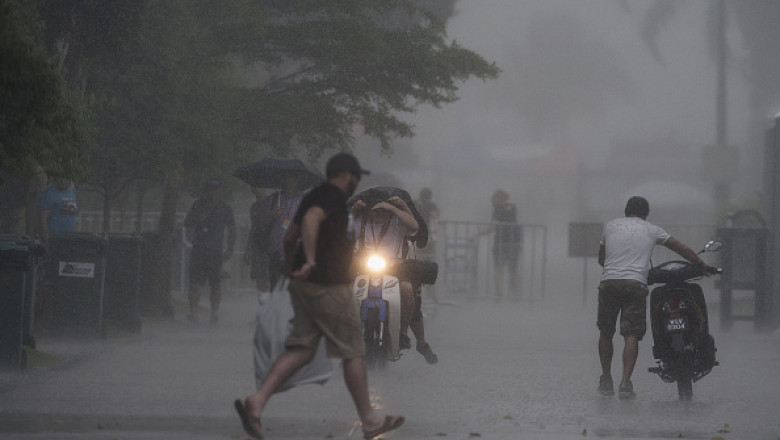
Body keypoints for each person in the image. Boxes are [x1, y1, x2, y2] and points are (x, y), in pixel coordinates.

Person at [234, 152, 405, 440]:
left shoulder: (312, 197)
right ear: (346, 175)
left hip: (306, 285)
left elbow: (290, 237)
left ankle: (257, 401)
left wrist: (292, 265)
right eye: (355, 177)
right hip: (328, 284)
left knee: (302, 349)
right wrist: (312, 260)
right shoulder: (330, 197)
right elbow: (311, 222)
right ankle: (370, 420)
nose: (355, 183)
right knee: (353, 351)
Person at [597, 196, 717, 400]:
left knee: (606, 332)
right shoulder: (651, 229)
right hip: (635, 284)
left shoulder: (610, 226)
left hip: (609, 282)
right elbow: (681, 248)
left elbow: (602, 259)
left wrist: (616, 268)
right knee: (631, 334)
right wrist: (701, 264)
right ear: (646, 214)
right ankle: (625, 383)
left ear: (626, 211)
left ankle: (606, 379)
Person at [352, 191, 438, 364]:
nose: (380, 214)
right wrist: (352, 210)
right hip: (363, 269)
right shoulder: (360, 221)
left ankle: (403, 333)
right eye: (376, 211)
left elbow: (414, 227)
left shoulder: (397, 222)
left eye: (383, 211)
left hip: (395, 269)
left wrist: (396, 208)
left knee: (407, 290)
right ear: (369, 211)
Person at [183, 178, 236, 324]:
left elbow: (232, 229)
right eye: (210, 189)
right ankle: (194, 313)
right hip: (199, 250)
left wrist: (230, 248)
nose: (213, 192)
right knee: (194, 283)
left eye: (215, 189)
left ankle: (214, 314)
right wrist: (197, 219)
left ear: (219, 191)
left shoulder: (225, 208)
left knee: (215, 285)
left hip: (215, 252)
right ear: (206, 191)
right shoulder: (198, 205)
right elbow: (187, 223)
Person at [257, 174, 303, 289]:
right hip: (276, 252)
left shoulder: (305, 200)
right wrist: (272, 214)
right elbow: (263, 223)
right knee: (276, 288)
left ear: (298, 180)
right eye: (288, 178)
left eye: (293, 178)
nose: (290, 181)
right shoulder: (273, 199)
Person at [475, 189, 522, 298]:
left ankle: (499, 293)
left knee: (498, 269)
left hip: (501, 243)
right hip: (515, 242)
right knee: (513, 269)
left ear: (497, 199)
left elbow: (492, 228)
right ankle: (516, 294)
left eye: (492, 199)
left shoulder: (498, 209)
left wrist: (477, 235)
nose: (491, 201)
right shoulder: (512, 207)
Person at [38, 178, 78, 253]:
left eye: (67, 178)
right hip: (54, 238)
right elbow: (43, 219)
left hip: (69, 238)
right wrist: (46, 240)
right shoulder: (49, 193)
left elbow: (72, 216)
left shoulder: (71, 193)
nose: (64, 181)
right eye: (62, 178)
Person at [243, 187, 271, 295]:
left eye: (259, 187)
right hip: (257, 246)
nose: (256, 190)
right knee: (259, 280)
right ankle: (262, 303)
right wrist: (248, 249)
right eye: (254, 187)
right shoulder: (254, 207)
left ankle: (269, 303)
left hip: (269, 246)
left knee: (268, 279)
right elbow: (253, 229)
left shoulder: (272, 203)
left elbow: (282, 223)